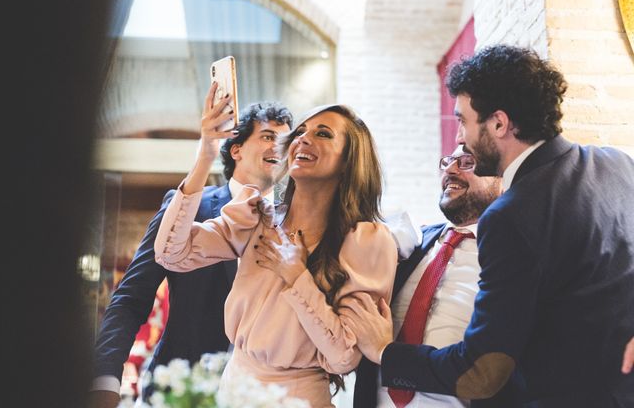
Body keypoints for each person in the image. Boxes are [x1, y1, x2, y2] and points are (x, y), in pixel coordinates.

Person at [340, 44, 634, 407]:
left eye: (463, 120)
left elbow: (481, 372)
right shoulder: (617, 164)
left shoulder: (511, 216)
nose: (459, 137)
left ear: (498, 123)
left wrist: (386, 352)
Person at [153, 102, 399, 407]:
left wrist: (297, 276)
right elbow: (170, 253)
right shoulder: (258, 217)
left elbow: (344, 357)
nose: (302, 139)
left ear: (349, 160)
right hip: (233, 390)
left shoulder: (366, 240)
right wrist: (205, 156)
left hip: (296, 398)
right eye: (300, 132)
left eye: (323, 134)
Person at [87, 89, 293, 408]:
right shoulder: (187, 207)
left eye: (285, 140)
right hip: (181, 388)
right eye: (268, 136)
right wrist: (104, 378)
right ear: (236, 149)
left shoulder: (293, 222)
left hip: (262, 394)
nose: (278, 147)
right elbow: (131, 297)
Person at [353, 145, 520, 408]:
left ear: (502, 178)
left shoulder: (514, 259)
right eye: (447, 162)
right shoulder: (411, 243)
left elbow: (486, 370)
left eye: (467, 162)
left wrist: (387, 353)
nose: (451, 170)